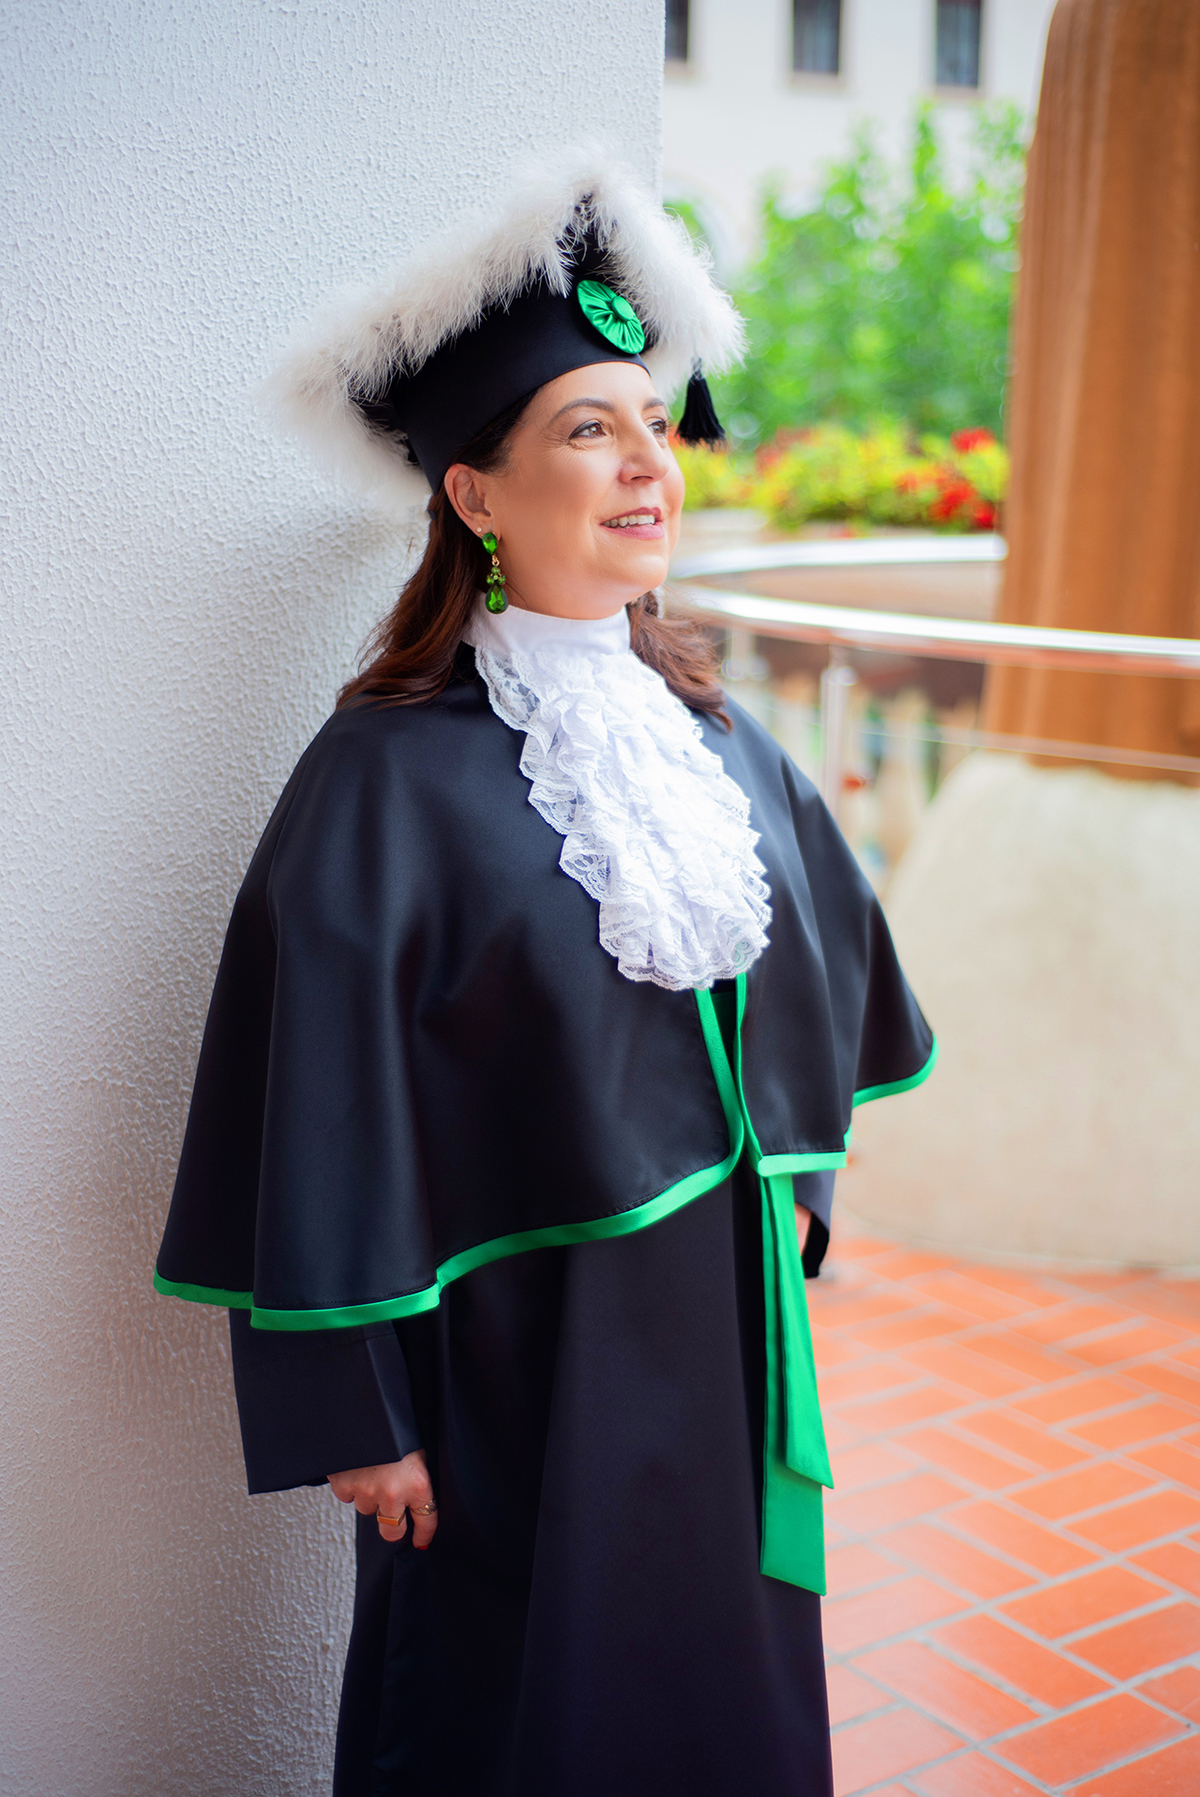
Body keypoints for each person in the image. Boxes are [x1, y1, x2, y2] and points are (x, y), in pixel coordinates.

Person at [154, 155, 935, 1797]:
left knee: (717, 1700)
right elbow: (317, 1094)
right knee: (518, 1714)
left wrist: (789, 1184)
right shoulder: (382, 777)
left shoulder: (719, 739)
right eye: (591, 428)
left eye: (654, 423)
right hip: (514, 1369)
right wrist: (350, 1405)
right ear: (478, 495)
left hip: (723, 1339)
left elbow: (809, 975)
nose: (650, 462)